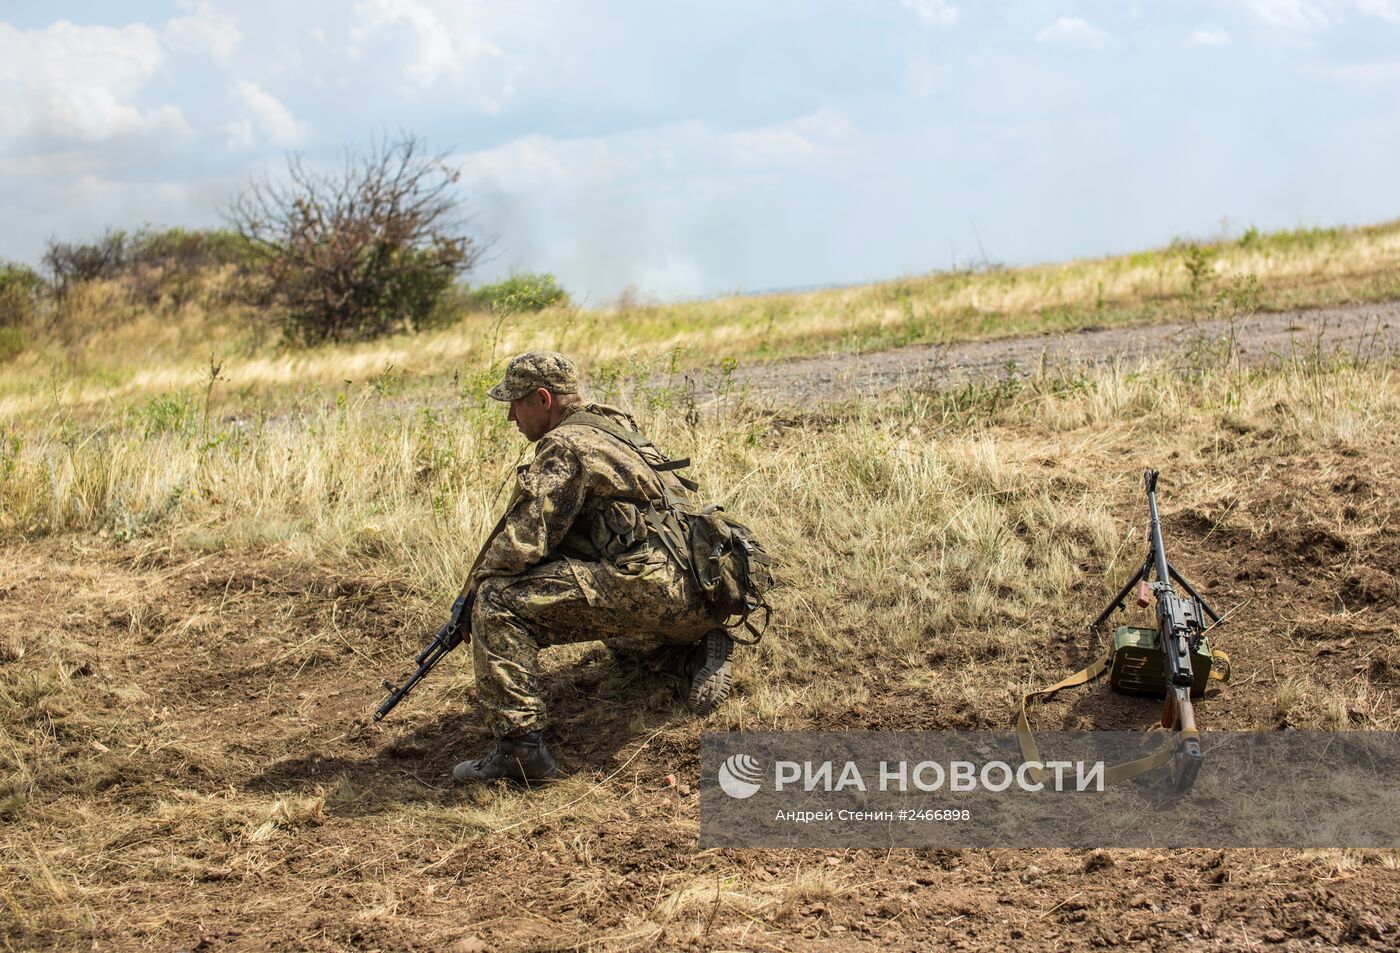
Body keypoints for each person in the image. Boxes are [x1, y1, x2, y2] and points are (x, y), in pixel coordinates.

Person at [451, 351, 734, 784]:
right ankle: (688, 653)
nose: (511, 416)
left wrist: (472, 590)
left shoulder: (563, 445)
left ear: (544, 399)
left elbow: (522, 543)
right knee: (590, 584)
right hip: (699, 585)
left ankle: (520, 751)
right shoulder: (611, 423)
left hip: (655, 587)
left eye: (516, 403)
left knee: (497, 601)